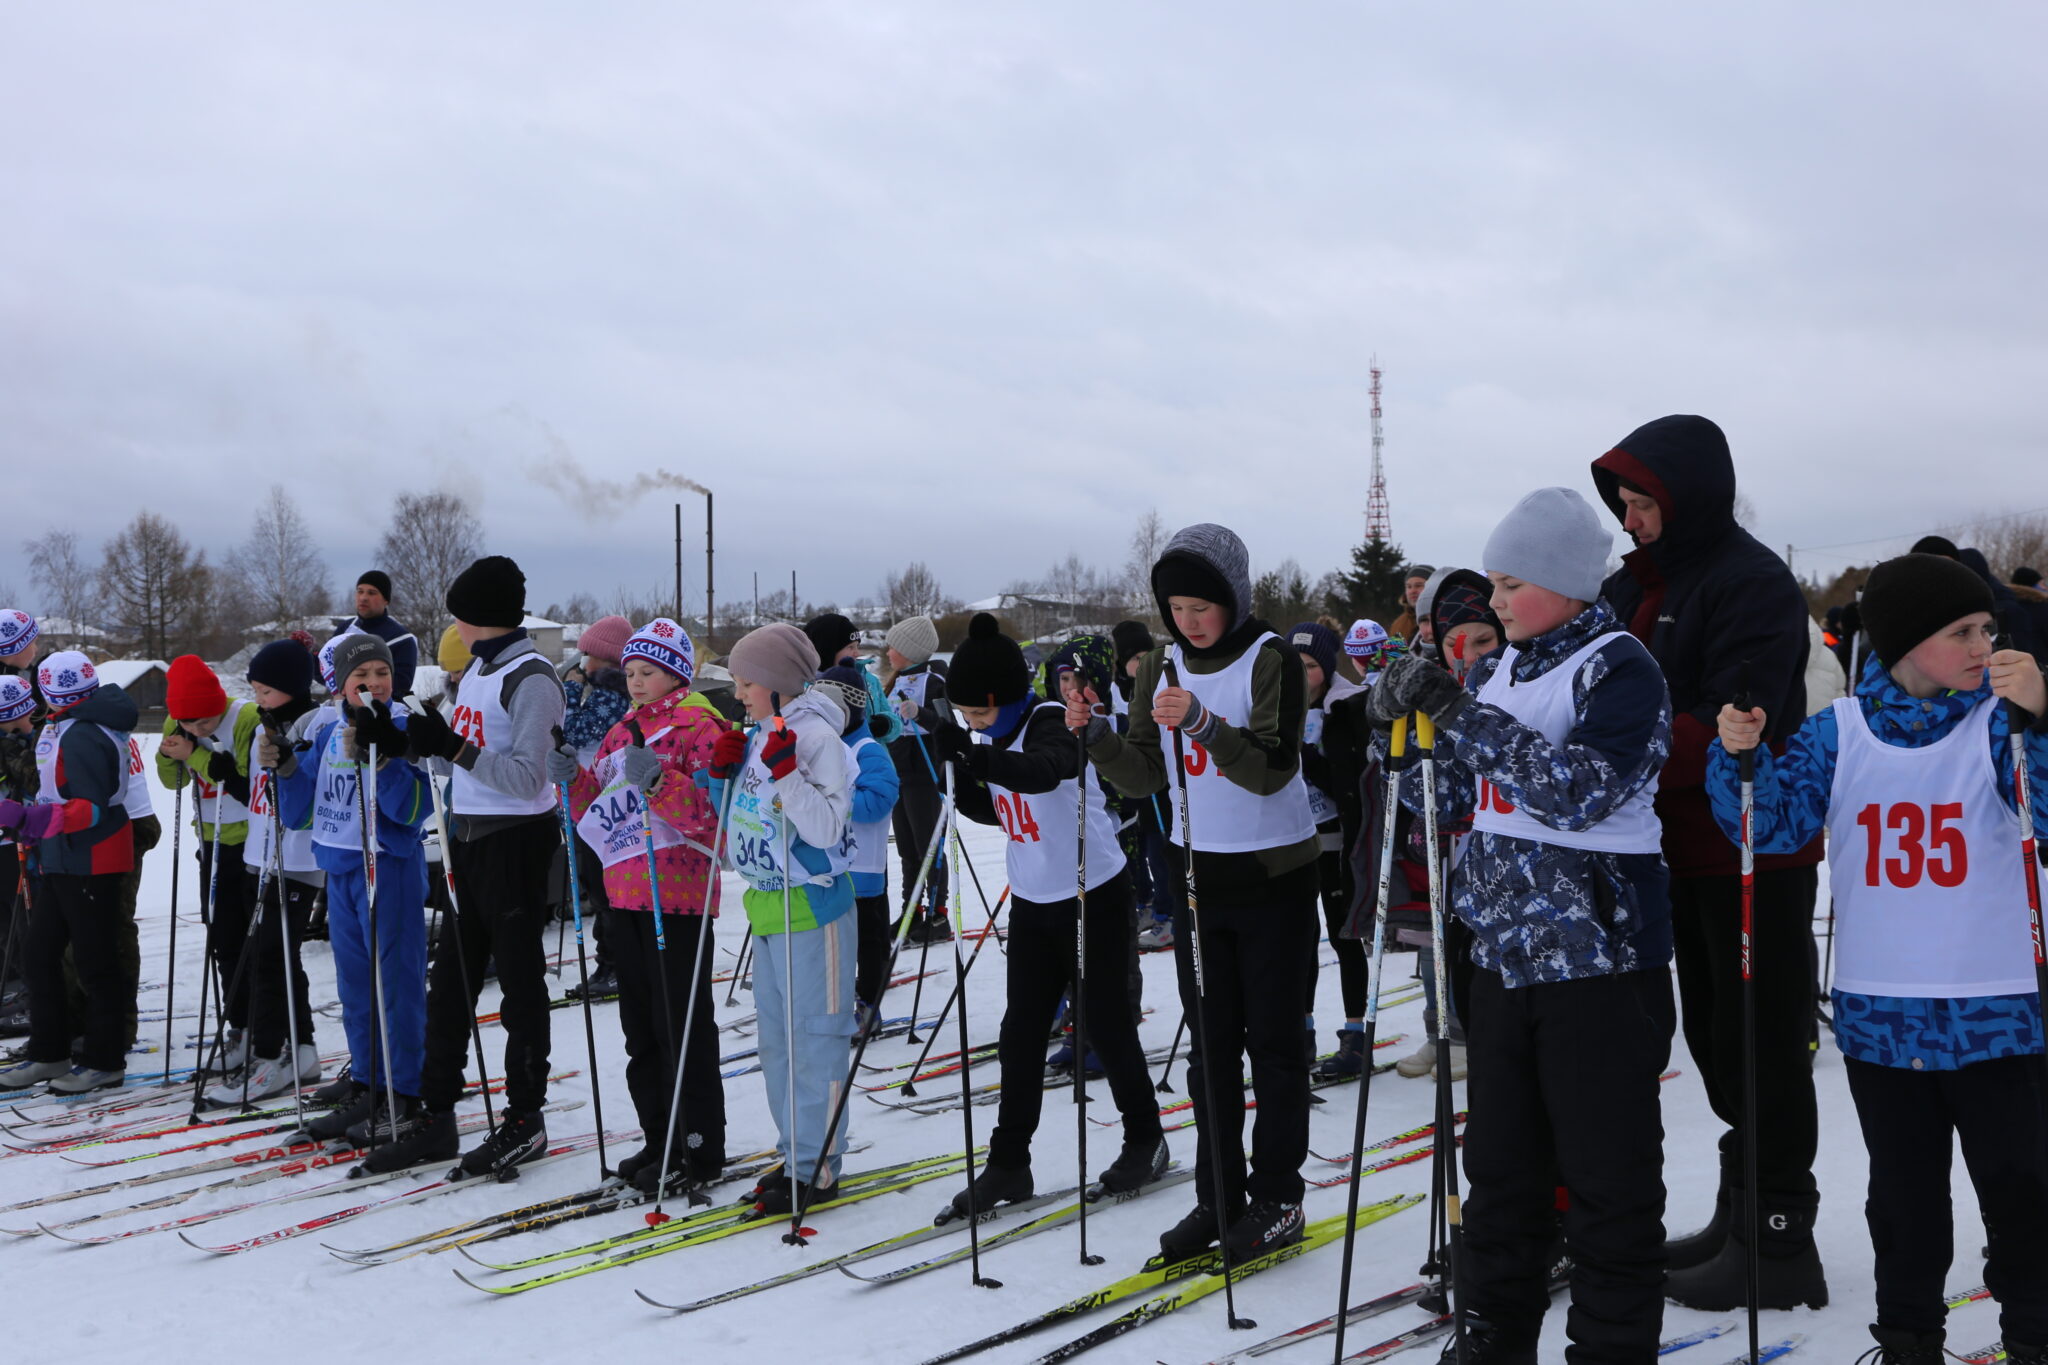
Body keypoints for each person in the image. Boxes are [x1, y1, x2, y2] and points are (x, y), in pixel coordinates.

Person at [1708, 552, 2048, 1365]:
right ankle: (1906, 1339)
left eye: (1987, 629)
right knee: (1902, 1199)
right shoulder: (1842, 731)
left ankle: (2034, 1333)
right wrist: (1739, 755)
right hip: (1882, 1015)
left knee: (2023, 1190)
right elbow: (1769, 827)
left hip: (1997, 1013)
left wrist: (2040, 717)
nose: (1982, 644)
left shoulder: (1999, 723)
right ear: (1902, 643)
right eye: (1960, 631)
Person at [1366, 487, 1675, 1363]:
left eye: (1512, 583)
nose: (1495, 602)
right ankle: (1491, 1338)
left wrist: (1461, 715)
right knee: (1501, 1177)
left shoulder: (1620, 667)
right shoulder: (1500, 668)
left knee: (1609, 1185)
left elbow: (1575, 792)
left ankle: (1611, 1348)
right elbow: (1469, 800)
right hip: (1501, 962)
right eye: (1495, 584)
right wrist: (1402, 733)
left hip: (1599, 969)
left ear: (1569, 581)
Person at [1591, 415, 1829, 1308]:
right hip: (1671, 851)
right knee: (1717, 1043)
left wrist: (1621, 758)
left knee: (1762, 1043)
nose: (1630, 517)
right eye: (1622, 502)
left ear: (1687, 496)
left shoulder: (1750, 580)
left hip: (1750, 851)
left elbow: (1743, 711)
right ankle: (1741, 1212)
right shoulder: (1634, 584)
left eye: (1643, 500)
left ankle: (1779, 1235)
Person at [1076, 522, 1320, 1265]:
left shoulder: (1269, 656)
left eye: (1203, 605)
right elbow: (1149, 773)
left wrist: (1207, 724)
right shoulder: (1161, 664)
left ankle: (1278, 1195)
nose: (1190, 620)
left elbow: (1275, 768)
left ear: (1234, 597)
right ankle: (1220, 1195)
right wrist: (1096, 738)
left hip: (1274, 879)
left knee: (1274, 1044)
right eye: (1177, 606)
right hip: (1196, 880)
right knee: (1210, 1049)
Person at [924, 616, 1170, 1215]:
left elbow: (1042, 773)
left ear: (1001, 701)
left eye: (977, 716)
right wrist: (954, 773)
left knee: (1107, 1026)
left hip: (1093, 897)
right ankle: (1010, 1163)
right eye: (966, 719)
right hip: (1034, 901)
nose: (974, 727)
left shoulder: (1051, 723)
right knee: (1020, 1036)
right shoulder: (989, 737)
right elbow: (999, 808)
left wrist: (979, 761)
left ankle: (1146, 1139)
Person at [356, 555, 567, 1176]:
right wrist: (410, 744)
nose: (455, 622)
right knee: (450, 984)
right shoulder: (476, 670)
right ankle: (437, 1115)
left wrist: (451, 745)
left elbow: (529, 779)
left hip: (515, 843)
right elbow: (458, 764)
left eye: (460, 612)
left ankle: (526, 1118)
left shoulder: (532, 678)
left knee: (520, 986)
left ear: (479, 616)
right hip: (466, 840)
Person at [556, 618, 731, 1191]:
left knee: (680, 1026)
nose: (634, 681)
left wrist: (659, 782)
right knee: (640, 1031)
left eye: (647, 671)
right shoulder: (621, 730)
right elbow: (598, 813)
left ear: (675, 672)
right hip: (625, 893)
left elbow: (716, 821)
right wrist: (574, 780)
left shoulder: (699, 726)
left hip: (676, 897)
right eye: (629, 671)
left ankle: (698, 1144)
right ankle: (660, 1137)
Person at [703, 623, 857, 1214]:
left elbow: (824, 828)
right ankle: (796, 1155)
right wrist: (721, 779)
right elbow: (744, 826)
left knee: (815, 1043)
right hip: (767, 908)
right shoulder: (760, 733)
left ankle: (817, 1167)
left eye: (746, 683)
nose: (739, 693)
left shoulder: (818, 739)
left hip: (814, 910)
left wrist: (789, 774)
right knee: (777, 1046)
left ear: (776, 683)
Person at [274, 633, 431, 1142]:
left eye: (381, 674)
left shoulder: (405, 727)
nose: (373, 684)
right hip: (339, 869)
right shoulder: (327, 730)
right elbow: (300, 813)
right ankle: (367, 1082)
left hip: (388, 869)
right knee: (355, 988)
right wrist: (287, 767)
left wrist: (383, 760)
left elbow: (413, 812)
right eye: (361, 676)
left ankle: (403, 1091)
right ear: (340, 684)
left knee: (397, 985)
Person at [0, 654, 140, 1094]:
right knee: (39, 954)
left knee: (94, 961)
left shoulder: (83, 732)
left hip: (92, 858)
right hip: (61, 858)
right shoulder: (64, 724)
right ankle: (49, 1052)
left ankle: (104, 1060)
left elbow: (90, 807)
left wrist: (25, 820)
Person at [205, 640, 326, 1106]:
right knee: (271, 957)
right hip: (261, 853)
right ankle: (302, 1049)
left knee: (271, 959)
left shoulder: (311, 725)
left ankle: (270, 1054)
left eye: (266, 690)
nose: (257, 698)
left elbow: (306, 794)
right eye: (253, 689)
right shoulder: (264, 723)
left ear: (292, 687)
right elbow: (258, 792)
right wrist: (227, 775)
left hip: (295, 860)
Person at [155, 655, 263, 1074]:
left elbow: (242, 783)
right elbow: (173, 781)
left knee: (257, 942)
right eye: (190, 725)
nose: (199, 730)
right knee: (223, 938)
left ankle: (269, 1028)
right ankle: (240, 1027)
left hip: (252, 846)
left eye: (205, 722)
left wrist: (194, 755)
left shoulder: (245, 718)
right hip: (212, 845)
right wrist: (172, 754)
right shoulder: (177, 723)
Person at [1288, 621, 1373, 1079]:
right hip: (1295, 840)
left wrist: (1302, 753)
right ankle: (1301, 1032)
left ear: (1327, 666)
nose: (1301, 676)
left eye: (1309, 667)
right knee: (1300, 940)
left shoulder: (1347, 705)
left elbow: (1347, 784)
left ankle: (1357, 1037)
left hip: (1339, 840)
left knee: (1344, 938)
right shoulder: (1280, 704)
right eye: (1293, 666)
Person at [817, 662, 900, 1031]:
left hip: (865, 872)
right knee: (832, 942)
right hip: (831, 869)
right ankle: (833, 1000)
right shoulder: (824, 746)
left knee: (869, 943)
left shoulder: (868, 749)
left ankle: (870, 1004)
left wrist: (835, 798)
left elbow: (879, 801)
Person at [560, 613, 633, 1001]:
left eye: (588, 656)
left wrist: (570, 693)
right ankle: (611, 961)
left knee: (603, 889)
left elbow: (572, 731)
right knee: (596, 886)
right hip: (588, 801)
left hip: (601, 806)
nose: (581, 664)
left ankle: (615, 963)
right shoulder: (602, 691)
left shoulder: (612, 693)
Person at [882, 615, 951, 944]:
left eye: (893, 646)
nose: (888, 652)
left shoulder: (934, 680)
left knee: (929, 846)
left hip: (925, 772)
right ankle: (912, 912)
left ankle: (939, 916)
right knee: (907, 849)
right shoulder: (895, 681)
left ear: (910, 650)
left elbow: (948, 723)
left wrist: (921, 714)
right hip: (899, 772)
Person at [1112, 620, 1176, 951]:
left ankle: (1170, 915)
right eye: (1132, 658)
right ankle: (1154, 905)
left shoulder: (1162, 682)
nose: (1140, 664)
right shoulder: (1115, 691)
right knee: (1143, 852)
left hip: (1162, 783)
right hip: (1132, 784)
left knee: (1161, 849)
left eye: (1144, 655)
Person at [336, 570, 419, 698]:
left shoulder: (402, 639)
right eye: (360, 591)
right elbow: (325, 668)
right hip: (343, 709)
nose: (363, 597)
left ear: (386, 600)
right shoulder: (345, 628)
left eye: (371, 593)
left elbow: (400, 687)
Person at [1389, 564, 1436, 644]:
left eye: (1418, 586)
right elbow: (1393, 655)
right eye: (1409, 587)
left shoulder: (1443, 617)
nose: (1412, 591)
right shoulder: (1398, 625)